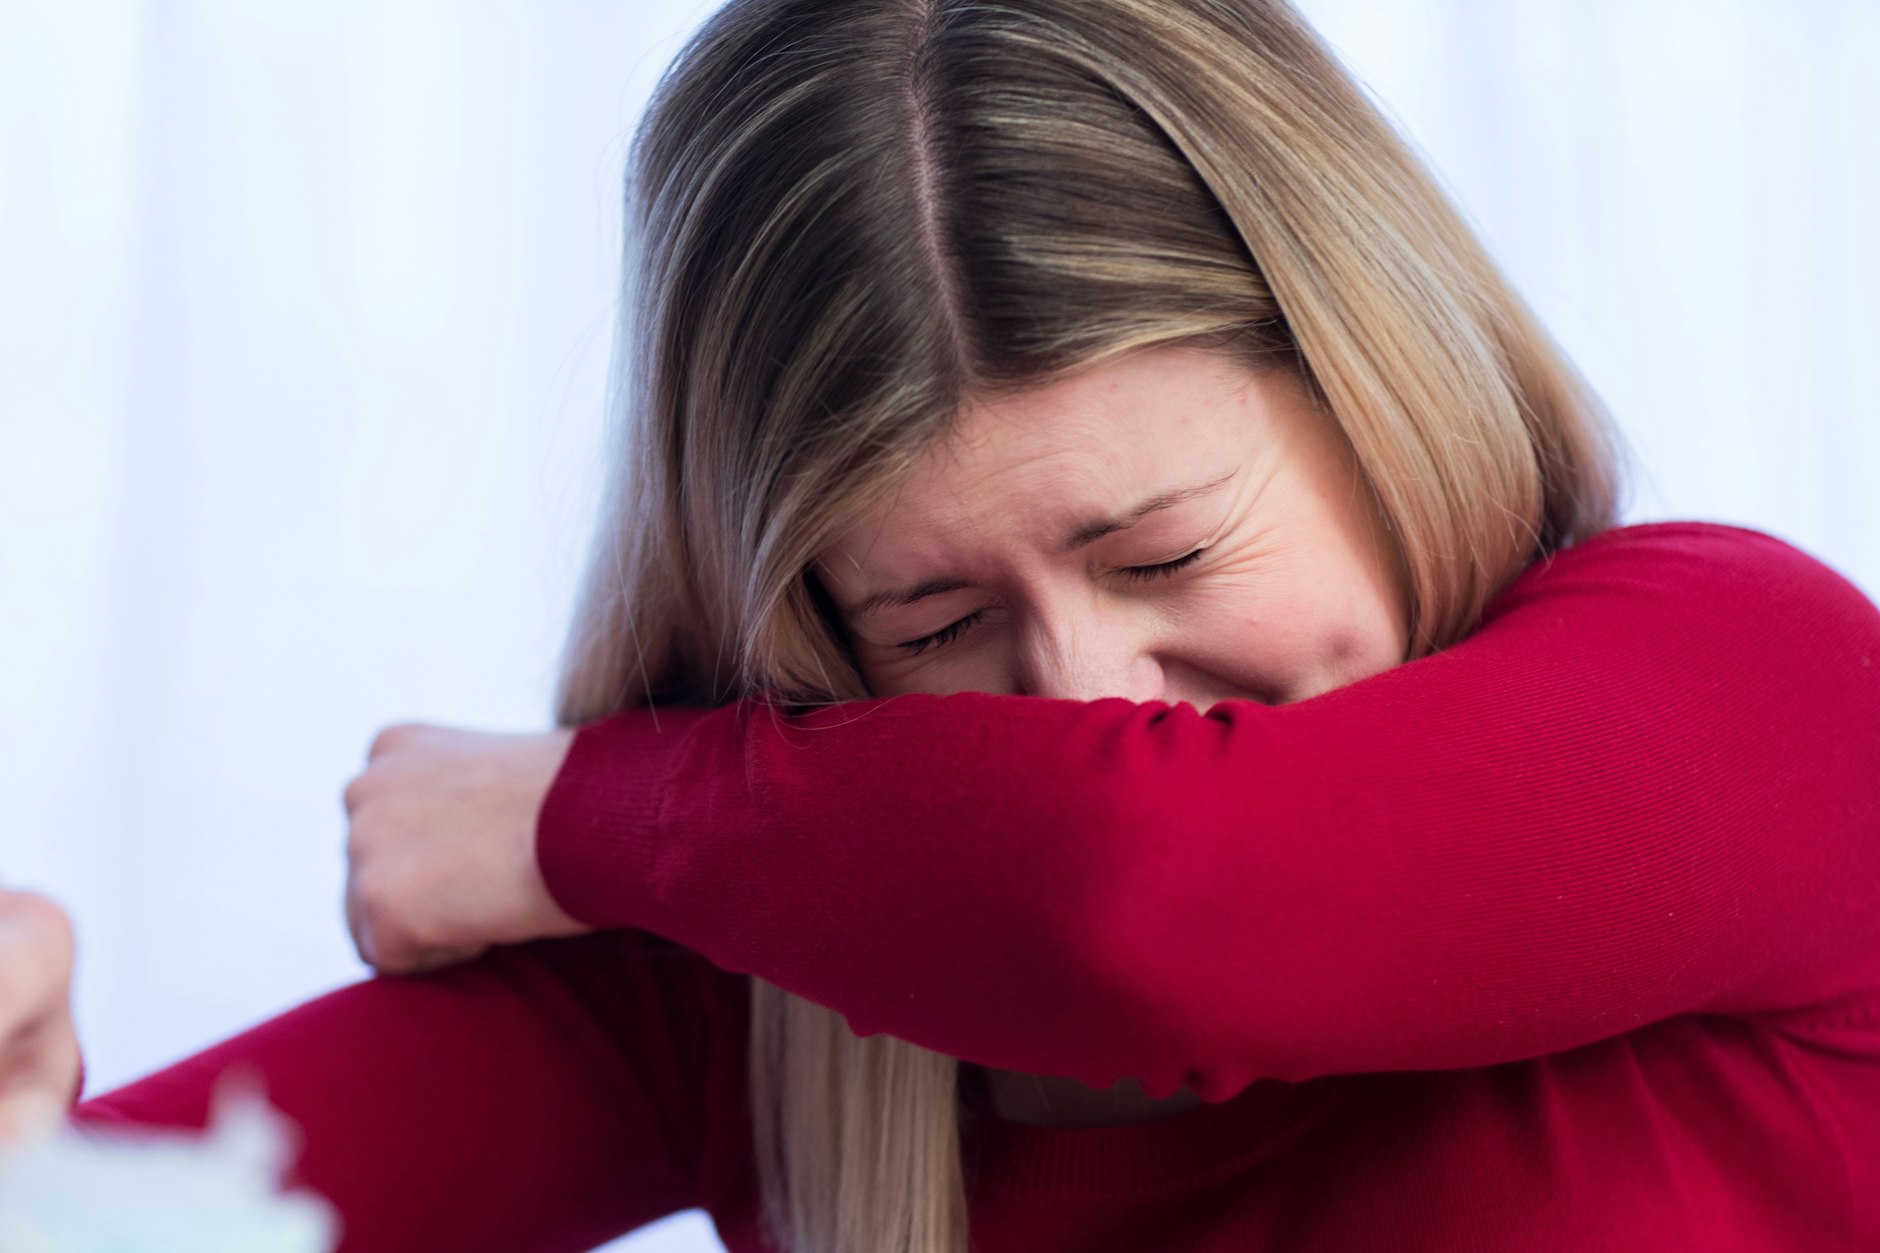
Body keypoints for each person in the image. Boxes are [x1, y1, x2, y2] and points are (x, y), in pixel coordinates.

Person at [28, 0, 1880, 1250]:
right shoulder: (779, 961)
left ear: (1383, 390)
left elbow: (1147, 893)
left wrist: (579, 809)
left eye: (1159, 556)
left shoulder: (1749, 681)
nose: (1080, 696)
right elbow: (146, 1216)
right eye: (930, 620)